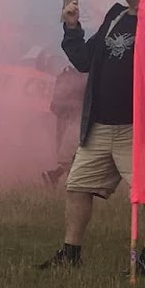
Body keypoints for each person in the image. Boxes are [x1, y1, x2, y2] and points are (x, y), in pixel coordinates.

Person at [37, 0, 145, 275]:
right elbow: (84, 61)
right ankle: (71, 253)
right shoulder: (115, 17)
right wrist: (71, 28)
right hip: (99, 125)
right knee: (77, 185)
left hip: (136, 127)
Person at [42, 55, 86, 190]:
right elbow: (56, 106)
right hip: (73, 119)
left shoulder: (68, 76)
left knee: (72, 154)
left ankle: (56, 176)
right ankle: (70, 185)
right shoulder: (74, 78)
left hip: (72, 118)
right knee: (71, 155)